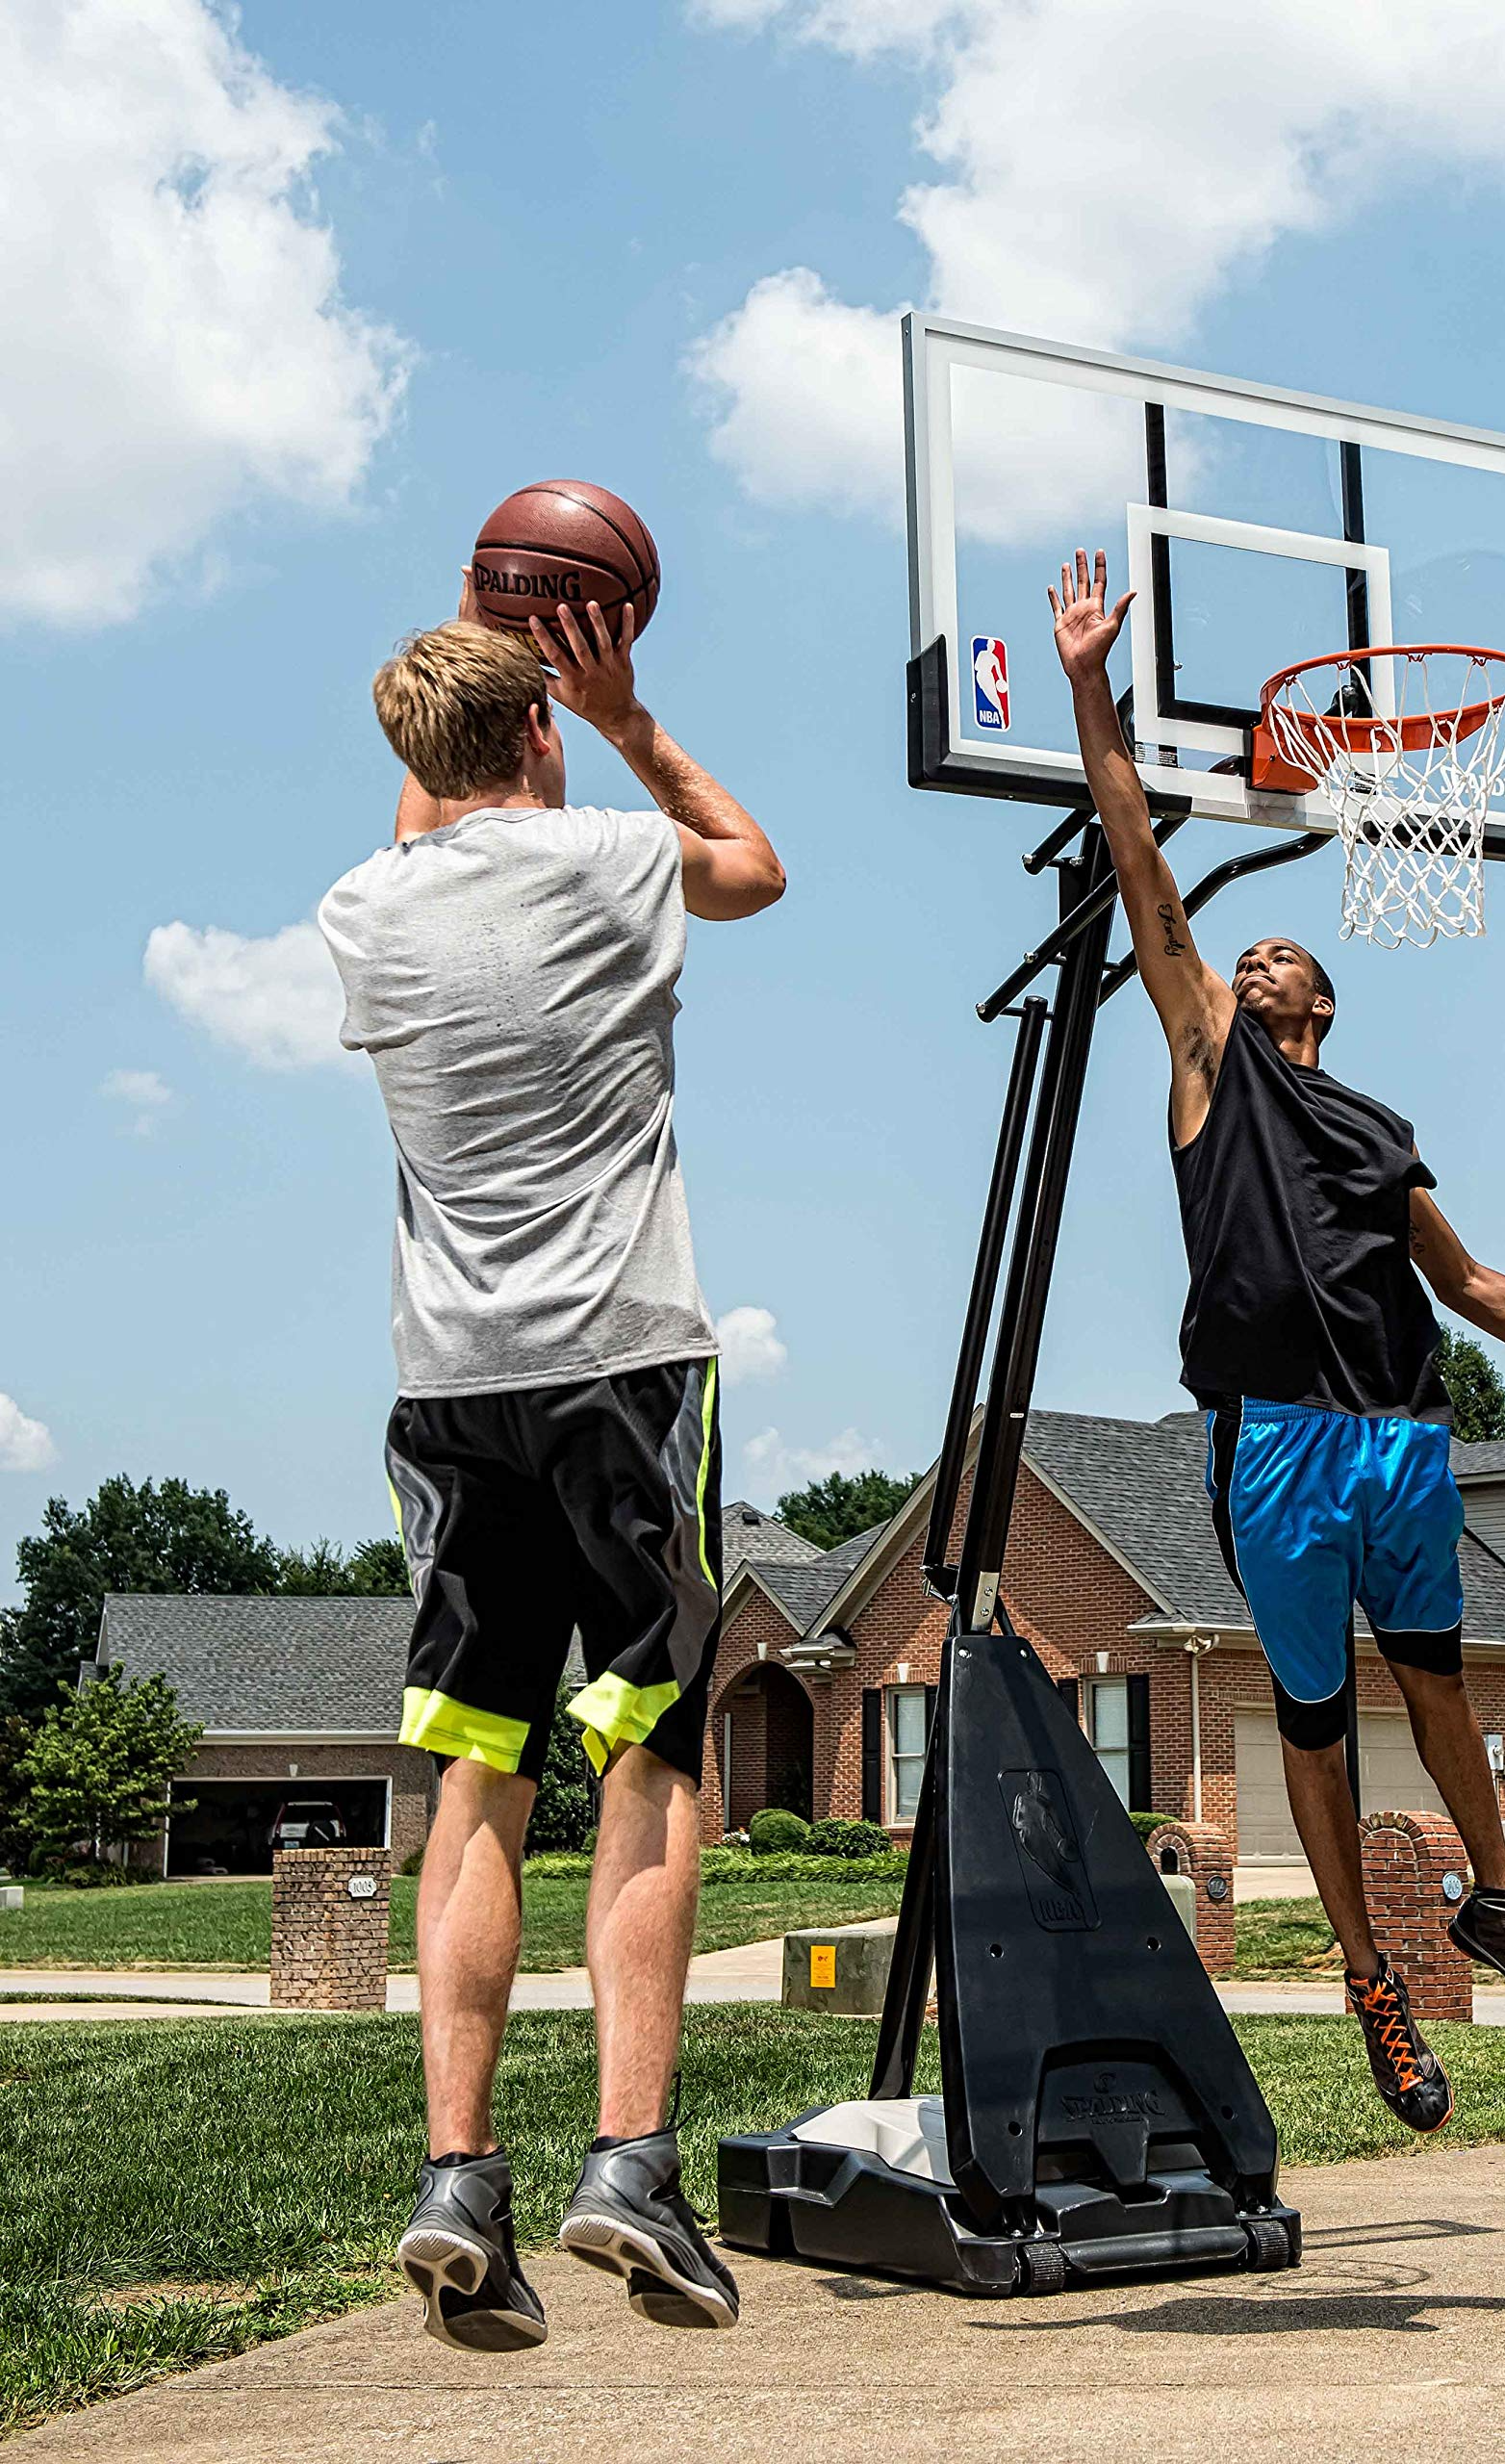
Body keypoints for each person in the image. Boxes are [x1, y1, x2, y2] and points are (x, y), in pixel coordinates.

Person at [1049, 550, 1505, 2135]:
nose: (1254, 955)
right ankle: (1366, 1980)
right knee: (1311, 1720)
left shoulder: (1373, 1124)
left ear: (1326, 1000)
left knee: (1431, 1682)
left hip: (1401, 1437)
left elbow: (1471, 1285)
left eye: (1282, 953)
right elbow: (1140, 862)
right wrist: (1090, 692)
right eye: (1245, 953)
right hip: (1272, 1437)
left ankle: (1498, 1897)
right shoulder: (1208, 1058)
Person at [319, 583, 784, 2349]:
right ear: (538, 729)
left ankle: (457, 2179)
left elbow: (421, 811)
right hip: (624, 1371)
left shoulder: (362, 912)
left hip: (449, 1396)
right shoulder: (608, 858)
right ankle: (628, 2163)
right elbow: (749, 864)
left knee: (477, 1784)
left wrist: (474, 659)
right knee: (652, 1759)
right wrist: (625, 716)